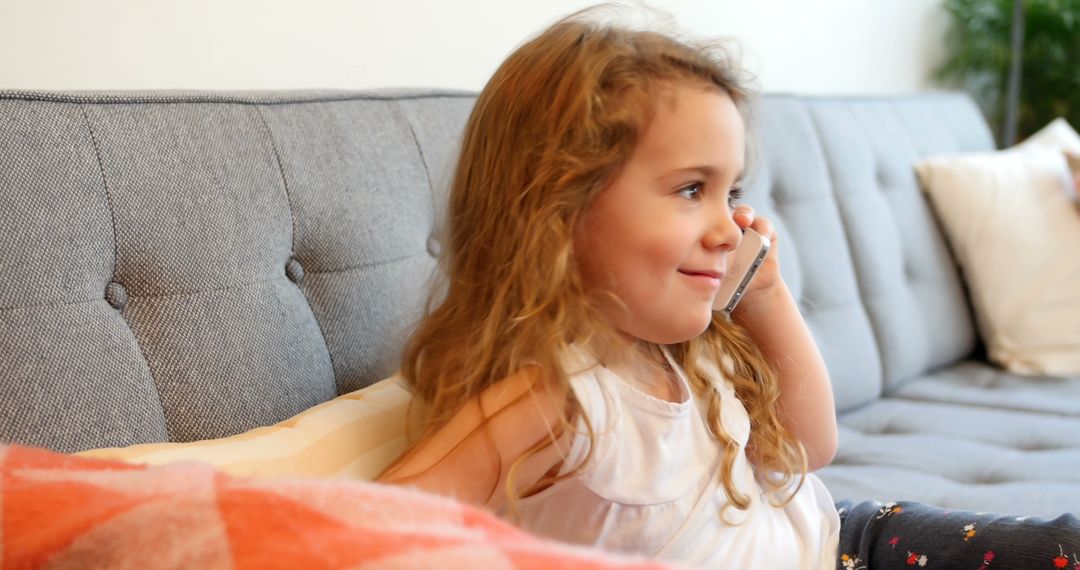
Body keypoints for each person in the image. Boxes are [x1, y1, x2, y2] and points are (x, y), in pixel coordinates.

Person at [378, 5, 1080, 569]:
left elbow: (807, 447)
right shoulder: (554, 398)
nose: (727, 227)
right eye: (691, 189)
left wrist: (767, 300)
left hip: (850, 544)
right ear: (559, 209)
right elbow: (374, 523)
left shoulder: (686, 345)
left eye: (731, 190)